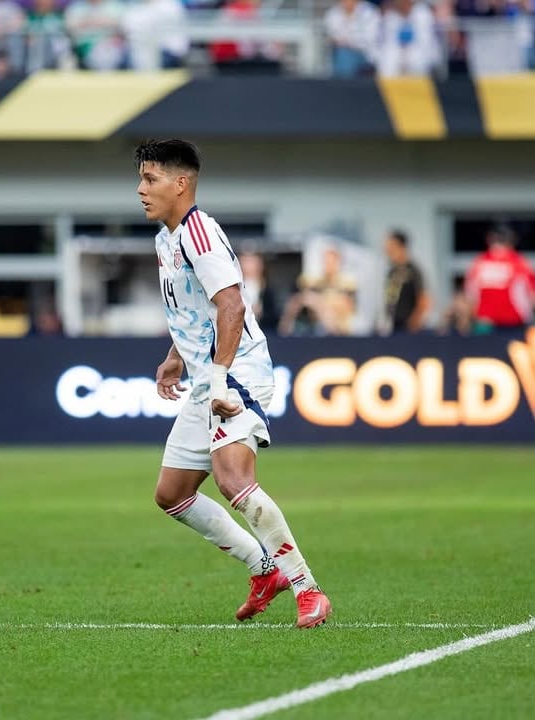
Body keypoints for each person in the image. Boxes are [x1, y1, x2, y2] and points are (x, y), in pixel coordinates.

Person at [135, 139, 331, 628]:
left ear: (181, 183)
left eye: (150, 179)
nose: (141, 189)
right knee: (172, 494)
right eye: (140, 179)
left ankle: (308, 588)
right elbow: (194, 308)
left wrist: (220, 378)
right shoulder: (166, 238)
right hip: (209, 376)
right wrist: (175, 357)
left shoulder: (199, 234)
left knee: (233, 480)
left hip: (237, 373)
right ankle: (264, 569)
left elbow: (232, 305)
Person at [464, 223, 535, 332]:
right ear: (512, 241)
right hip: (515, 322)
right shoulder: (519, 262)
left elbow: (470, 297)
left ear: (489, 240)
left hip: (485, 323)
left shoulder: (479, 263)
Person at [382, 229, 431, 334]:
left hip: (408, 328)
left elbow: (424, 299)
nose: (387, 251)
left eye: (391, 247)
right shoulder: (392, 271)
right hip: (393, 326)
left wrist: (414, 322)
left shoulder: (413, 270)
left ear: (402, 247)